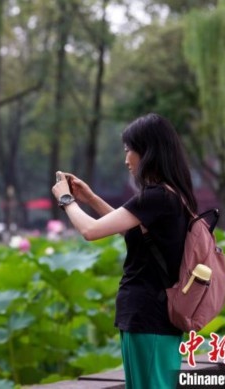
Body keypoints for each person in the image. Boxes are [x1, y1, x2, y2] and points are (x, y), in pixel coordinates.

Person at [52, 113, 196, 388]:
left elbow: (91, 231)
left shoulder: (156, 197)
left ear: (148, 151)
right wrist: (90, 198)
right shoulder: (171, 195)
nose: (126, 159)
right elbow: (127, 229)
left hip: (149, 316)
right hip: (150, 316)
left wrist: (66, 200)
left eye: (129, 150)